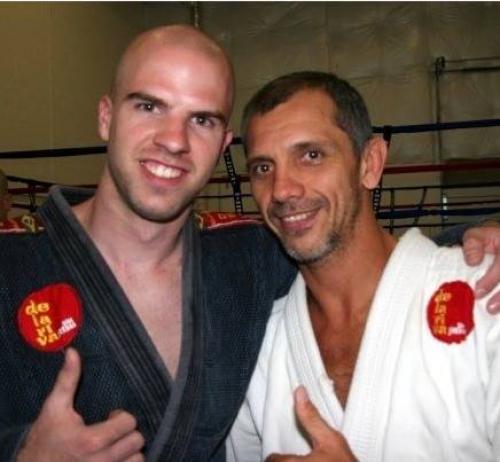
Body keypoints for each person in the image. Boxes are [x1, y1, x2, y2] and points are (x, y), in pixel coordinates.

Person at [0, 26, 498, 462]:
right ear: (106, 117)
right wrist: (20, 453)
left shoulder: (244, 259)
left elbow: (363, 259)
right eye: (149, 106)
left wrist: (469, 247)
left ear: (222, 144)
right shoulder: (10, 264)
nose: (173, 139)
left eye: (201, 119)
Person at [227, 71, 500, 461]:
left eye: (311, 155)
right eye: (263, 168)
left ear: (370, 163)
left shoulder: (486, 294)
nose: (282, 189)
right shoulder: (256, 348)